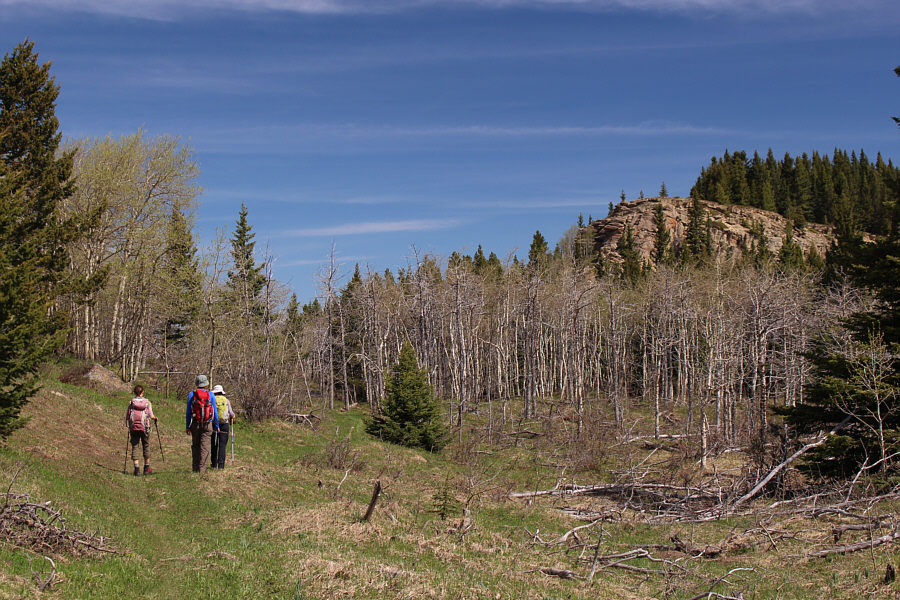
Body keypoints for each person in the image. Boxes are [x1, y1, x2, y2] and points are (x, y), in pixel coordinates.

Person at [185, 374, 219, 473]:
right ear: (206, 384)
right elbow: (215, 412)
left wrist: (187, 426)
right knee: (205, 447)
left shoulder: (192, 395)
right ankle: (202, 469)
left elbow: (188, 412)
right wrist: (216, 425)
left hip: (195, 423)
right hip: (207, 424)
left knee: (195, 445)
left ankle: (195, 468)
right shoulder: (211, 395)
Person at [126, 385, 157, 476]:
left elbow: (128, 416)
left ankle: (137, 469)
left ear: (134, 392)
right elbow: (151, 415)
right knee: (146, 445)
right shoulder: (147, 403)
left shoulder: (132, 402)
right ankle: (146, 468)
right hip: (145, 428)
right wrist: (155, 418)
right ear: (142, 392)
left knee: (135, 446)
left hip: (134, 427)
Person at [210, 384, 236, 470]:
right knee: (222, 445)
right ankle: (221, 465)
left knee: (214, 444)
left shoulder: (212, 400)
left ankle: (213, 464)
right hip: (224, 424)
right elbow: (231, 413)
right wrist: (233, 416)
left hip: (214, 424)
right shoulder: (226, 401)